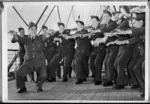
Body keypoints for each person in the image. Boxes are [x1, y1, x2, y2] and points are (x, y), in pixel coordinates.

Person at [106, 12, 145, 90]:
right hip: (130, 48)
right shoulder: (123, 23)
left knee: (124, 64)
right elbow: (132, 37)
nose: (133, 23)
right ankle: (136, 83)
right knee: (129, 66)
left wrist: (121, 33)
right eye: (115, 16)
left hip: (131, 49)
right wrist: (116, 41)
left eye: (118, 16)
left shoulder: (126, 22)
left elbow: (132, 34)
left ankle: (124, 83)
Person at [9, 22, 49, 93]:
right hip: (29, 62)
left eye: (35, 29)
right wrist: (15, 35)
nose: (33, 31)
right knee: (18, 73)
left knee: (44, 75)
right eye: (31, 29)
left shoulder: (40, 38)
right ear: (28, 30)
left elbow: (45, 37)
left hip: (39, 62)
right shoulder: (25, 39)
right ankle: (22, 88)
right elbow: (18, 38)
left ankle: (39, 85)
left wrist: (46, 33)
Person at [88, 10, 117, 85]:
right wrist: (92, 40)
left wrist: (95, 34)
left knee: (98, 62)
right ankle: (98, 77)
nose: (92, 23)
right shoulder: (94, 29)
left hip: (102, 48)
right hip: (95, 49)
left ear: (98, 22)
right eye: (92, 21)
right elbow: (90, 38)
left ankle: (99, 79)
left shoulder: (103, 26)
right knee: (92, 64)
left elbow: (104, 31)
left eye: (94, 21)